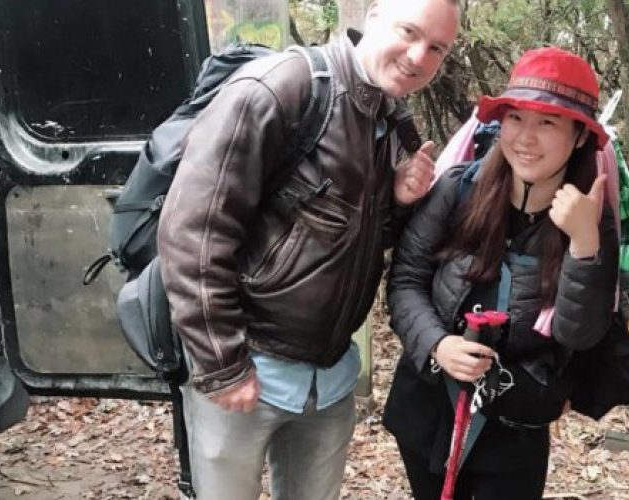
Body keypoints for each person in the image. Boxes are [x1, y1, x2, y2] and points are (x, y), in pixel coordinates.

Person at [155, 0, 460, 498]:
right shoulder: (282, 89)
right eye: (409, 31)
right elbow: (194, 231)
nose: (418, 56)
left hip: (329, 380)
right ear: (375, 14)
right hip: (248, 367)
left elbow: (356, 241)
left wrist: (399, 200)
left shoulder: (394, 123)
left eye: (437, 48)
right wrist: (222, 363)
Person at [383, 47, 619, 499]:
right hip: (430, 405)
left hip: (514, 425)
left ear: (580, 137)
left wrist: (585, 245)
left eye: (547, 122)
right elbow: (406, 280)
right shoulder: (457, 191)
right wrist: (438, 344)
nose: (525, 138)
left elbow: (579, 334)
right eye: (516, 118)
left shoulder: (590, 218)